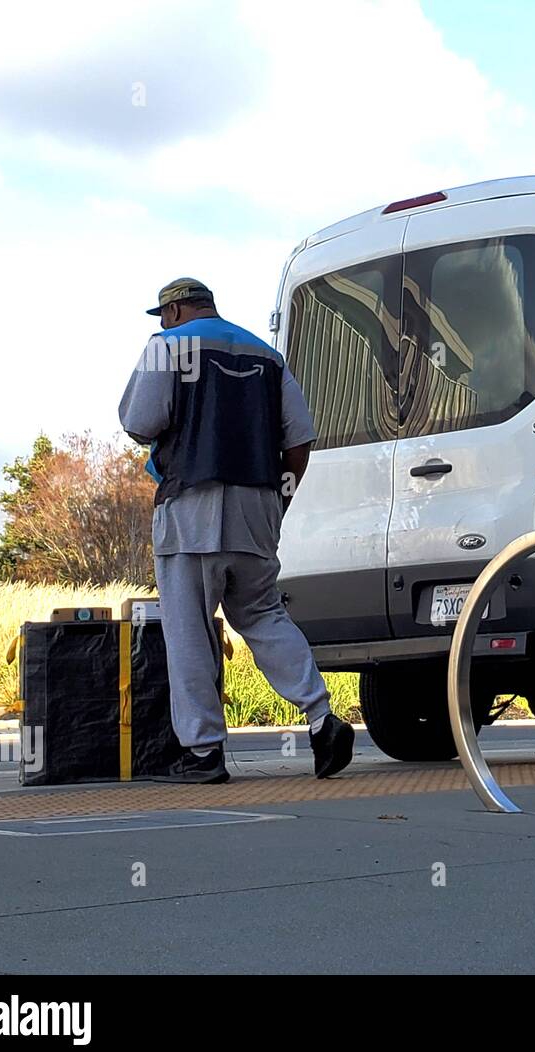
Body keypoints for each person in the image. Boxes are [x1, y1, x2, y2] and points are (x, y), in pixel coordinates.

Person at [118, 277, 354, 784]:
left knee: (190, 632)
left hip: (191, 507)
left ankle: (203, 754)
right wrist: (278, 499)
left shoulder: (166, 347)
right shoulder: (268, 356)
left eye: (163, 314)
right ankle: (321, 720)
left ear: (176, 310)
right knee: (265, 617)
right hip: (259, 507)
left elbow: (140, 422)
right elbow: (299, 441)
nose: (162, 323)